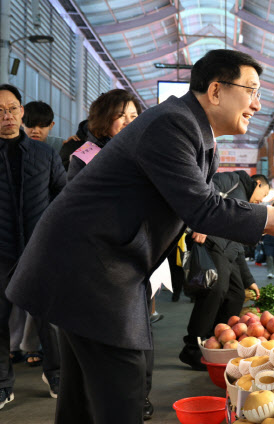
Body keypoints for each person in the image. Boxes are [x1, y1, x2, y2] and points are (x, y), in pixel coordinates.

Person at [5, 49, 274, 424]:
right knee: (121, 393)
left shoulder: (195, 133)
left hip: (91, 270)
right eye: (250, 90)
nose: (256, 103)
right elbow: (202, 207)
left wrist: (267, 219)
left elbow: (196, 206)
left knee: (84, 399)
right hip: (91, 273)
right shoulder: (172, 124)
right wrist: (272, 215)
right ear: (216, 91)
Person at [66, 88, 158, 420]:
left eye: (135, 116)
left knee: (142, 329)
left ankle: (141, 396)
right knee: (118, 341)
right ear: (105, 120)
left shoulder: (143, 154)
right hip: (99, 266)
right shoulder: (86, 156)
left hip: (138, 262)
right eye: (123, 115)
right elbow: (83, 213)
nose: (131, 122)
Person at [0, 84, 65, 410]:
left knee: (48, 318)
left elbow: (62, 197)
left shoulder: (46, 154)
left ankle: (55, 374)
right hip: (0, 252)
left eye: (12, 108)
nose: (7, 116)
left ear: (21, 111)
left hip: (39, 250)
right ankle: (2, 384)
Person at [179, 171, 269, 370]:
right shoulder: (233, 180)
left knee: (236, 295)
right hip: (211, 244)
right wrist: (200, 223)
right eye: (264, 194)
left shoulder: (246, 207)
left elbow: (238, 247)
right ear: (258, 183)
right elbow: (206, 194)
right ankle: (192, 348)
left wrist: (248, 279)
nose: (263, 199)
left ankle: (215, 343)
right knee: (216, 290)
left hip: (230, 253)